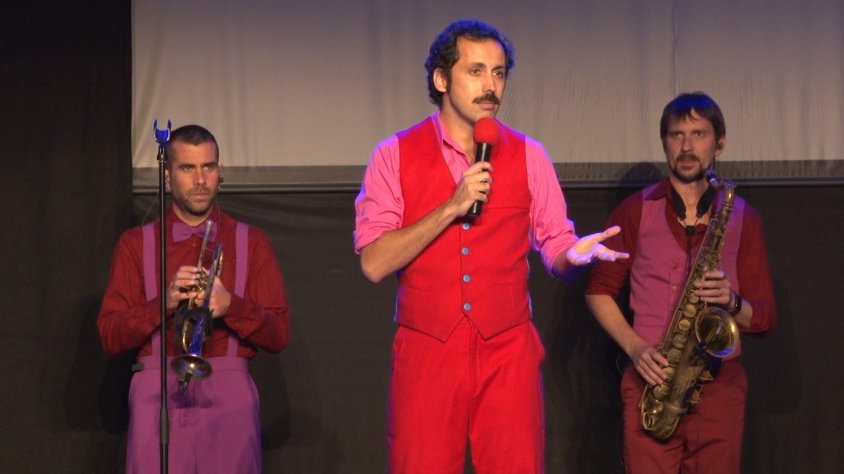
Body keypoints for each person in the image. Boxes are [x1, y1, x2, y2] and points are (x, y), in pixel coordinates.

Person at [354, 19, 628, 473]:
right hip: (427, 351)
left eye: (498, 73)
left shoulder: (529, 154)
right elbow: (373, 262)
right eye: (476, 71)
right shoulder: (393, 154)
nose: (491, 86)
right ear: (441, 79)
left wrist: (572, 255)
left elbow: (556, 242)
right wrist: (451, 206)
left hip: (508, 349)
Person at [585, 92, 777, 473]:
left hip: (719, 390)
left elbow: (765, 318)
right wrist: (636, 349)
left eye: (699, 134)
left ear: (720, 144)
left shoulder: (743, 217)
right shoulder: (634, 210)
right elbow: (597, 292)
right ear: (665, 142)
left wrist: (731, 302)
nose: (687, 147)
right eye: (677, 135)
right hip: (652, 383)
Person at [97, 124, 290, 474]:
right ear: (168, 178)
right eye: (187, 168)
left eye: (208, 167)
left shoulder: (252, 241)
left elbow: (278, 335)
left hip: (229, 391)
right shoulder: (135, 244)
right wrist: (162, 304)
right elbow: (110, 336)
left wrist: (232, 306)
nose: (200, 179)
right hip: (157, 389)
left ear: (220, 172)